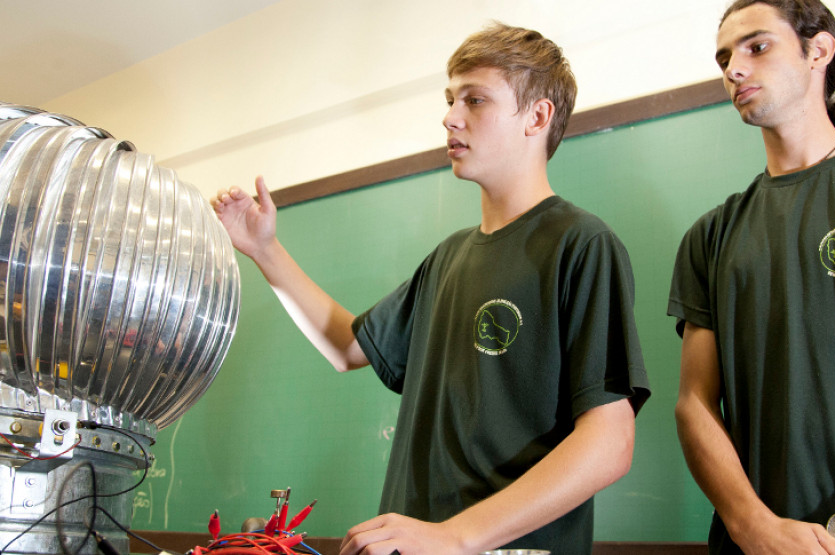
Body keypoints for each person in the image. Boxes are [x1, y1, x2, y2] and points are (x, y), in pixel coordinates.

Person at [213, 23, 650, 555]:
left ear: (537, 116)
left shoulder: (581, 244)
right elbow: (347, 346)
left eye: (476, 99)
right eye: (449, 99)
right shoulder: (448, 258)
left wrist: (456, 536)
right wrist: (265, 250)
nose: (450, 117)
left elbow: (609, 442)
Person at [668, 0, 835, 553]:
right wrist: (753, 528)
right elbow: (695, 404)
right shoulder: (711, 235)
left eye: (756, 47)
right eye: (724, 57)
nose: (733, 69)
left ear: (818, 50)